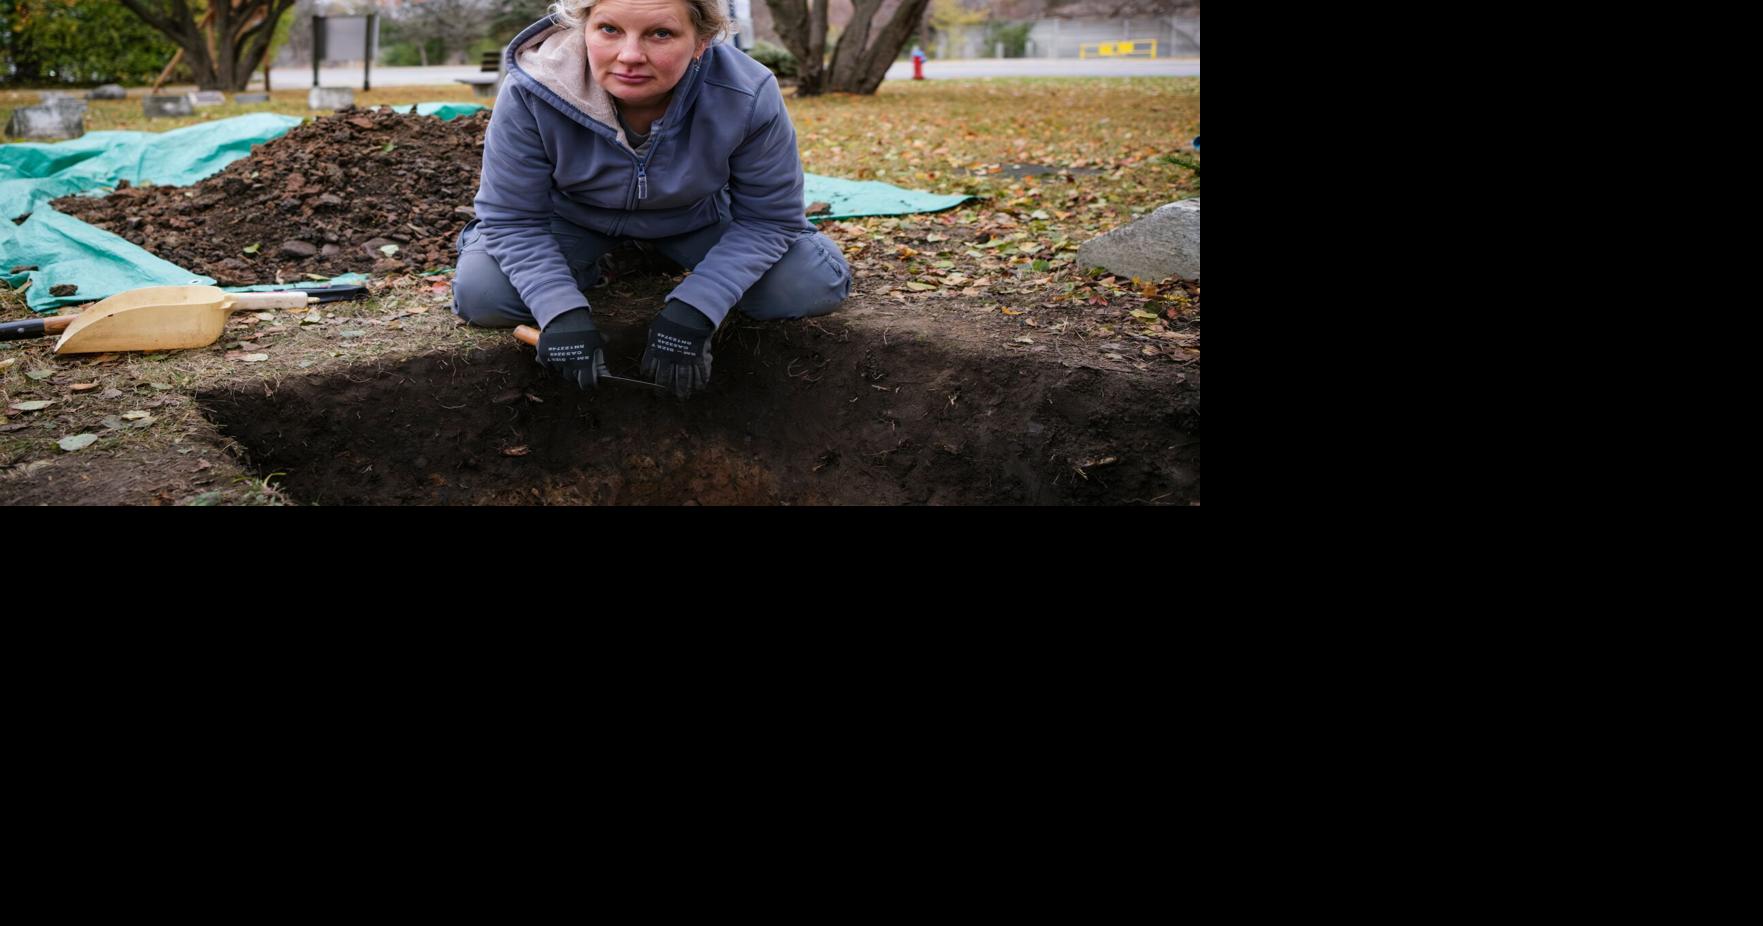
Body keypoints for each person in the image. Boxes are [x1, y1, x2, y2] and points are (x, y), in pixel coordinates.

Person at [453, 0, 852, 397]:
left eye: (660, 33)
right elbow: (513, 220)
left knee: (806, 285)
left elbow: (769, 219)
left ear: (701, 41)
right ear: (582, 28)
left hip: (696, 219)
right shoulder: (532, 88)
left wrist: (697, 309)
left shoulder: (747, 91)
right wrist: (560, 312)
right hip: (575, 221)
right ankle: (610, 264)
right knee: (484, 294)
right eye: (609, 30)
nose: (630, 56)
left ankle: (661, 255)